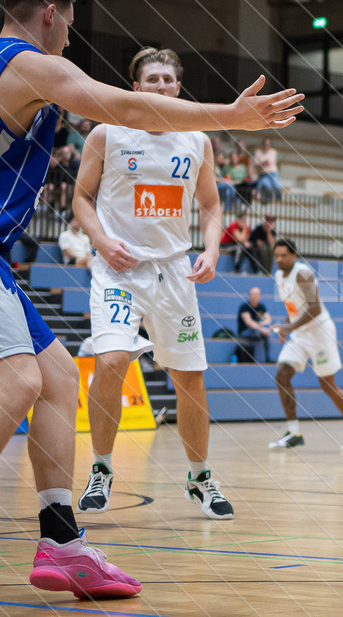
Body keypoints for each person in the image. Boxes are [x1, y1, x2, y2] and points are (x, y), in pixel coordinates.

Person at [0, 0, 301, 613]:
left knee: (59, 379)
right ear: (51, 17)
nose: (68, 40)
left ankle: (61, 542)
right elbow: (125, 108)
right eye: (68, 26)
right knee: (18, 386)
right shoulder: (32, 64)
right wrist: (232, 115)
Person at [73, 46, 247, 521]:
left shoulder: (198, 140)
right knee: (110, 361)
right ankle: (102, 468)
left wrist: (211, 250)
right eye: (152, 80)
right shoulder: (107, 133)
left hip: (174, 271)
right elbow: (81, 200)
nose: (162, 87)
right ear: (136, 86)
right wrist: (102, 242)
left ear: (178, 87)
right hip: (119, 270)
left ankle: (199, 476)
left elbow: (211, 206)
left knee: (190, 378)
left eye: (169, 80)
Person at [268, 239, 343, 450]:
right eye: (276, 255)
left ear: (293, 255)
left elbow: (315, 309)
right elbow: (292, 306)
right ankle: (294, 432)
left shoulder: (303, 273)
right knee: (282, 374)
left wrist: (290, 328)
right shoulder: (278, 276)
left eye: (283, 255)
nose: (279, 259)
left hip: (320, 332)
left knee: (327, 384)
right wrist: (286, 325)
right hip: (300, 334)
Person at [238, 286, 272, 363]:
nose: (254, 296)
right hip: (245, 332)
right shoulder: (244, 307)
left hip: (257, 330)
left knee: (267, 333)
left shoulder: (261, 307)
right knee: (259, 332)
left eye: (256, 294)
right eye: (252, 294)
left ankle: (267, 359)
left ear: (260, 296)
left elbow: (268, 319)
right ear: (249, 296)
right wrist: (261, 328)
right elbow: (249, 322)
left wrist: (262, 323)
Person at [253, 137, 282, 202]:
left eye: (268, 144)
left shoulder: (273, 152)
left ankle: (276, 199)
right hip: (263, 174)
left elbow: (274, 163)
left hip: (272, 173)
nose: (266, 145)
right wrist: (262, 163)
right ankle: (265, 199)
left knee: (276, 185)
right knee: (265, 184)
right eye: (265, 144)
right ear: (262, 144)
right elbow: (256, 164)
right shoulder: (258, 151)